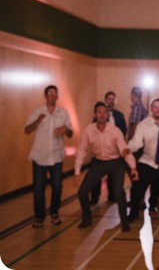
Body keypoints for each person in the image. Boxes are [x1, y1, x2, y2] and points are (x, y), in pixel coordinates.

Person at [73, 102, 138, 232]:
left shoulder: (115, 131)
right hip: (98, 163)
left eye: (104, 112)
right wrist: (77, 172)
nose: (102, 114)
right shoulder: (89, 130)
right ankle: (87, 219)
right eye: (99, 112)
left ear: (108, 114)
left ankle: (124, 221)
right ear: (95, 114)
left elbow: (124, 150)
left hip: (116, 163)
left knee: (118, 192)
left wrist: (133, 167)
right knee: (82, 192)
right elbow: (82, 151)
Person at [25, 85, 73, 228]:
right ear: (45, 96)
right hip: (40, 156)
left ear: (57, 97)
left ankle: (54, 213)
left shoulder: (63, 113)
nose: (52, 95)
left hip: (56, 156)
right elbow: (27, 130)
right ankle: (39, 217)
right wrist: (37, 121)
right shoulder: (37, 112)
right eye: (50, 93)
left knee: (57, 187)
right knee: (39, 188)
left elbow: (71, 133)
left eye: (55, 93)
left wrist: (66, 130)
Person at [91, 91, 128, 204]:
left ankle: (112, 195)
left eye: (113, 99)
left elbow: (123, 130)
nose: (111, 101)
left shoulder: (119, 115)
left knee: (114, 174)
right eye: (109, 99)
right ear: (106, 100)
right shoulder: (99, 115)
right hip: (101, 150)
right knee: (96, 175)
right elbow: (93, 130)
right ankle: (94, 197)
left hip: (116, 150)